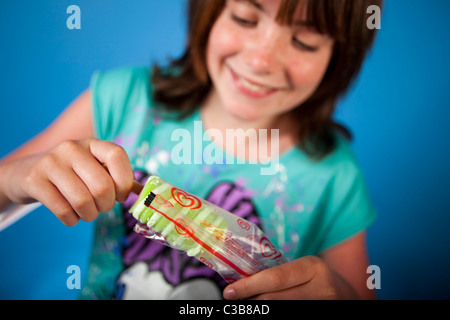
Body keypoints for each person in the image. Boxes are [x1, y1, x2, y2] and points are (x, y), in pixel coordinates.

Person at [0, 0, 381, 300]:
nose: (260, 60)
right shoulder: (124, 100)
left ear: (339, 57)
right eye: (245, 18)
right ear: (210, 12)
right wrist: (16, 177)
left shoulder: (334, 175)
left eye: (304, 41)